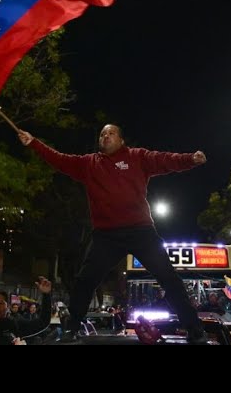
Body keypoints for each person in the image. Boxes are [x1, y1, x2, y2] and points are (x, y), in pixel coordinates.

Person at [18, 124, 208, 344]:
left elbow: (164, 160)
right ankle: (72, 328)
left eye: (111, 133)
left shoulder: (137, 156)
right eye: (101, 134)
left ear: (121, 140)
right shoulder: (89, 164)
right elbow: (59, 159)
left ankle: (195, 330)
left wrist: (189, 159)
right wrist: (33, 143)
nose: (105, 136)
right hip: (106, 236)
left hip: (141, 231)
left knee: (169, 278)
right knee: (85, 280)